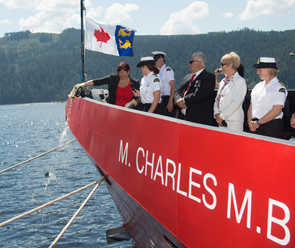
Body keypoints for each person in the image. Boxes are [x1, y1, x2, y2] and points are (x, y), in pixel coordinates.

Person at [69, 62, 140, 108]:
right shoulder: (113, 78)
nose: (120, 75)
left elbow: (140, 98)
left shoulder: (135, 83)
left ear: (128, 72)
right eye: (119, 72)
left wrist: (133, 103)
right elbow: (99, 81)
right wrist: (84, 84)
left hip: (129, 112)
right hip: (112, 109)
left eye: (123, 72)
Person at [248, 57, 288, 138]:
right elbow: (252, 106)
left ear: (268, 69)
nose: (257, 72)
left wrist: (259, 122)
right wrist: (250, 122)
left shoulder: (279, 87)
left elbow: (276, 110)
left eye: (259, 69)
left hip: (271, 126)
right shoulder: (257, 86)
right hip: (255, 126)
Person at [174, 52, 215, 125]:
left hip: (198, 120)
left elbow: (202, 94)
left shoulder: (209, 77)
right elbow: (178, 91)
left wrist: (184, 100)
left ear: (199, 63)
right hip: (182, 118)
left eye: (191, 62)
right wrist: (178, 100)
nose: (189, 64)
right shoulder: (187, 77)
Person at [213, 52, 247, 131]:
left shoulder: (240, 81)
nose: (221, 67)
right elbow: (217, 99)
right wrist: (216, 113)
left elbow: (236, 101)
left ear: (230, 66)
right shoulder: (223, 81)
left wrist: (222, 116)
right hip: (221, 121)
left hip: (233, 121)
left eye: (223, 64)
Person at [152, 51, 176, 116]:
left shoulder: (167, 70)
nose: (155, 62)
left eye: (156, 60)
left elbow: (173, 86)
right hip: (160, 100)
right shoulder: (158, 72)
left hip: (167, 99)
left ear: (161, 59)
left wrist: (170, 101)